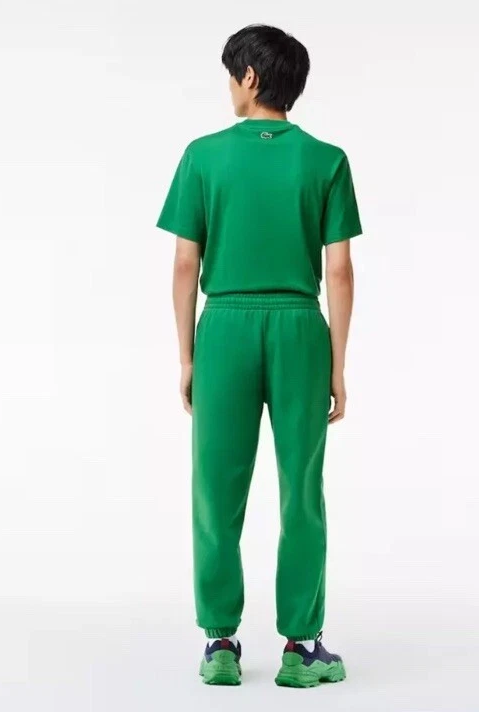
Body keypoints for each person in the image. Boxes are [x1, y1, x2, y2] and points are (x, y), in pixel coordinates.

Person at [156, 24, 362, 688]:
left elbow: (184, 265)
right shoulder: (326, 160)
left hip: (224, 328)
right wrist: (336, 364)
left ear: (249, 77)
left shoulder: (202, 156)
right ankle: (302, 648)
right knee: (302, 488)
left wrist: (187, 355)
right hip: (301, 327)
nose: (229, 86)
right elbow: (340, 272)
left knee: (215, 488)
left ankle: (220, 642)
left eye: (231, 74)